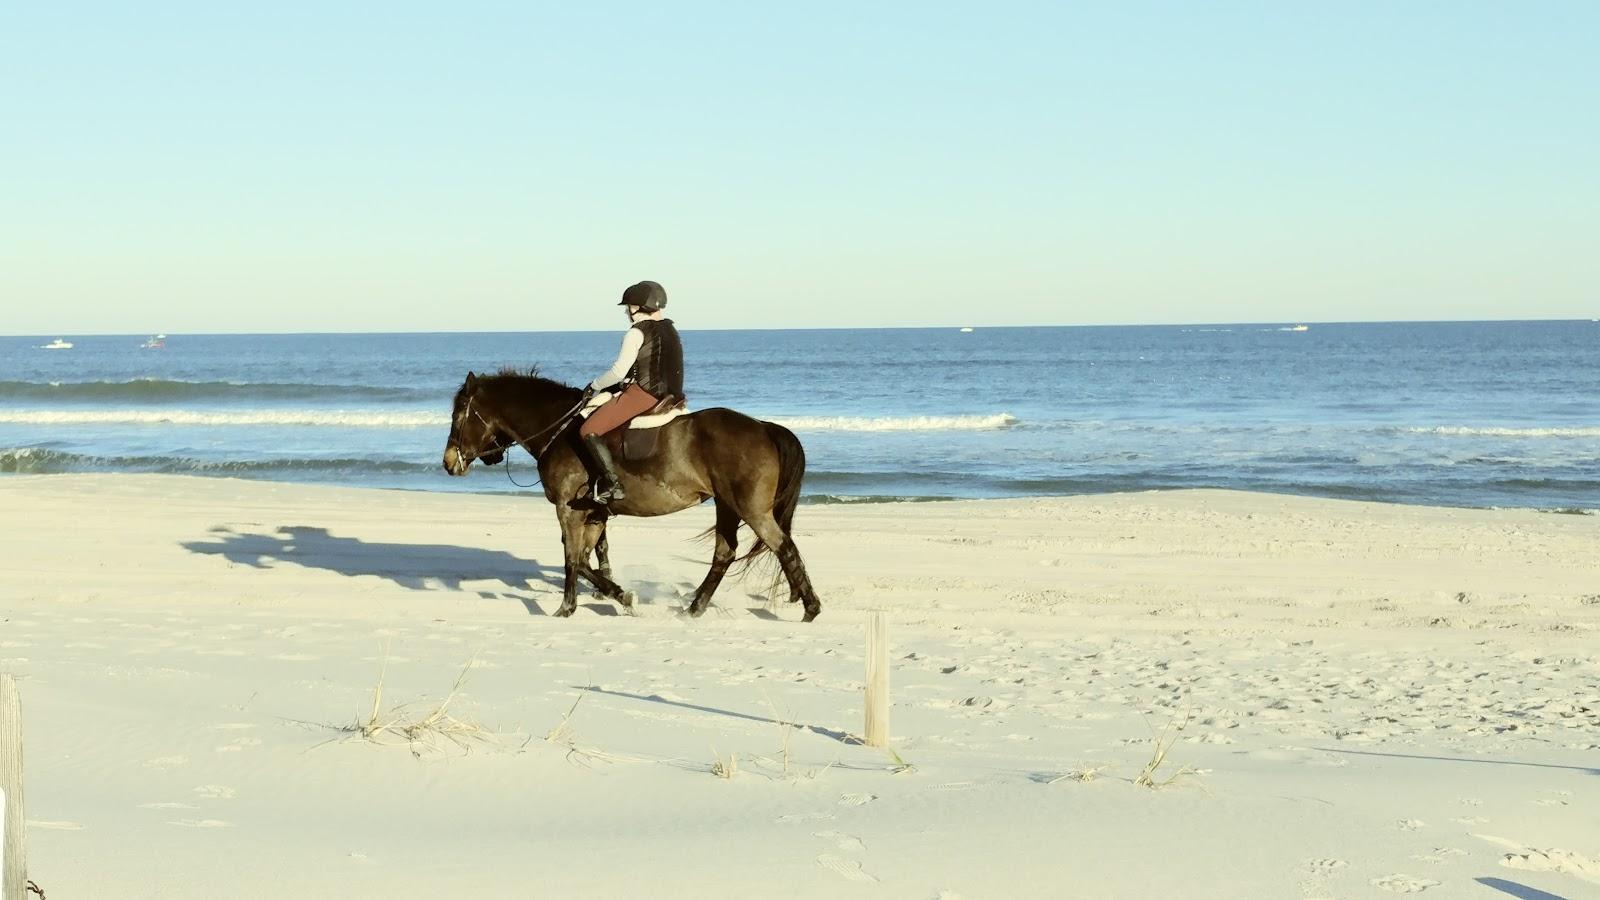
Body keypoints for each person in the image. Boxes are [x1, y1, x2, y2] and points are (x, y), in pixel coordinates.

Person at [577, 280, 685, 504]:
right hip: (672, 395)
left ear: (636, 307)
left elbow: (618, 372)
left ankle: (612, 484)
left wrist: (595, 385)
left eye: (628, 307)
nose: (627, 311)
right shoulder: (670, 328)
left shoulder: (636, 332)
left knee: (589, 429)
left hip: (644, 394)